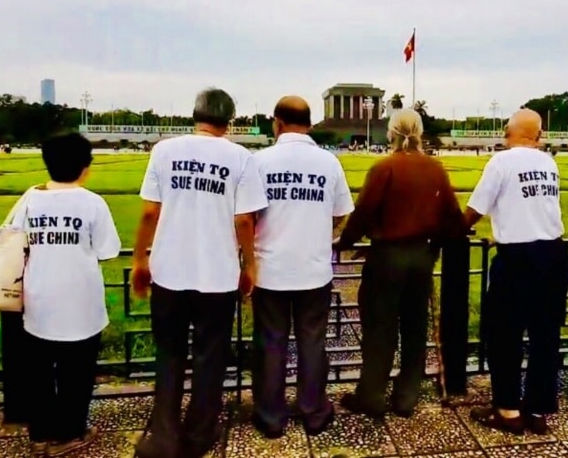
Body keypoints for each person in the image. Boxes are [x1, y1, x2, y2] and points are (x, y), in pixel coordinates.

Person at [132, 88, 268, 458]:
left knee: (169, 355)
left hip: (169, 272)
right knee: (210, 357)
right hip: (217, 275)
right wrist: (249, 264)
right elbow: (244, 219)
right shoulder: (241, 158)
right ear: (230, 120)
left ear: (195, 115)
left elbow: (149, 213)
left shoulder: (164, 151)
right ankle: (198, 435)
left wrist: (140, 259)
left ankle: (162, 438)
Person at [335, 109, 464, 418]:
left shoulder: (384, 168)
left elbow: (363, 213)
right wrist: (433, 248)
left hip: (387, 257)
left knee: (380, 329)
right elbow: (453, 219)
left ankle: (372, 394)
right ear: (419, 132)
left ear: (391, 133)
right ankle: (407, 396)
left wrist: (344, 243)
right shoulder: (435, 169)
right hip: (421, 257)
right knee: (415, 328)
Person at [250, 96, 354, 438]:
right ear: (309, 124)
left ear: (277, 122)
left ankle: (271, 416)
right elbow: (341, 213)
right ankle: (313, 410)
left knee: (271, 343)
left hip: (270, 268)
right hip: (313, 269)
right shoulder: (328, 162)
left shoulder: (260, 161)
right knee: (312, 342)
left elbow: (246, 216)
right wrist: (323, 230)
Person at [463, 109, 568, 435]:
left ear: (509, 131)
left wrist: (456, 229)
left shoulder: (502, 162)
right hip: (552, 253)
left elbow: (476, 208)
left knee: (505, 334)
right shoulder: (548, 162)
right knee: (545, 335)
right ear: (538, 135)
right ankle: (537, 409)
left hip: (518, 258)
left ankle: (508, 410)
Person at [19, 132, 122, 456]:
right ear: (85, 167)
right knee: (76, 374)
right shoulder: (92, 202)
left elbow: (13, 241)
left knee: (38, 374)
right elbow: (107, 250)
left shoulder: (30, 199)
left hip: (37, 299)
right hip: (81, 303)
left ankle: (40, 433)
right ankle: (69, 432)